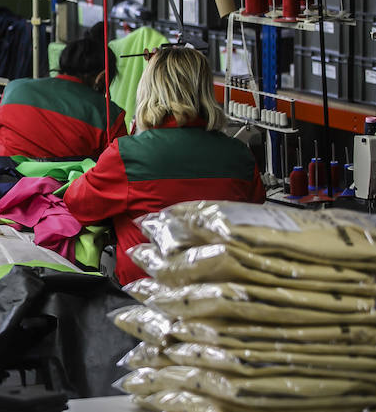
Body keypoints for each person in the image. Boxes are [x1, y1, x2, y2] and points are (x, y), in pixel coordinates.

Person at [63, 46, 264, 285]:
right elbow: (254, 210)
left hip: (148, 298)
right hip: (219, 294)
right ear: (205, 90)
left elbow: (78, 204)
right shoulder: (239, 155)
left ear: (149, 89)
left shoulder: (128, 154)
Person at [0, 23, 127, 160]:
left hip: (3, 178)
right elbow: (118, 168)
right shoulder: (110, 115)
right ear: (101, 78)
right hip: (66, 183)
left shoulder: (14, 89)